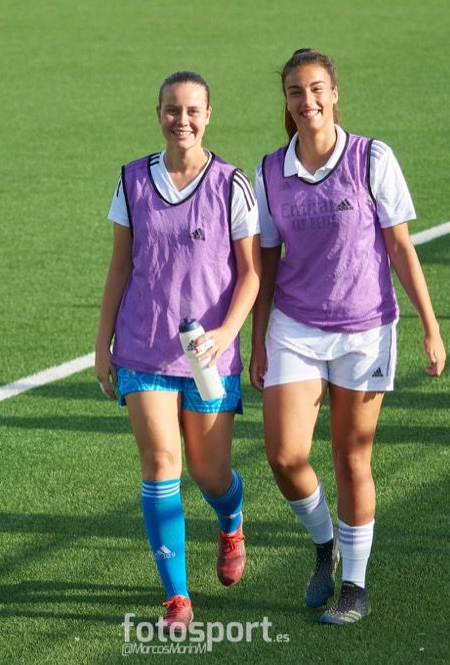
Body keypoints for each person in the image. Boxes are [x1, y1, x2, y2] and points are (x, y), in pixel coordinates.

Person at [250, 49, 446, 625]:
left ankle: (355, 587)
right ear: (286, 101)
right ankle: (324, 543)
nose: (307, 101)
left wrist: (430, 327)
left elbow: (400, 247)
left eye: (316, 89)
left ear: (334, 94)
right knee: (285, 456)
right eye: (295, 91)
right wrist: (256, 342)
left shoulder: (371, 158)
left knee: (351, 455)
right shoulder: (269, 171)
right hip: (296, 327)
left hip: (365, 331)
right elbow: (264, 262)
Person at [95, 71, 261, 628]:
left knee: (210, 474)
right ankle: (177, 598)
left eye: (192, 110)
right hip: (143, 348)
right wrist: (102, 344)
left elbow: (251, 274)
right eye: (171, 109)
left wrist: (227, 332)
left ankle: (231, 521)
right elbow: (120, 266)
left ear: (208, 115)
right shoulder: (131, 180)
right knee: (161, 463)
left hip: (208, 355)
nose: (181, 120)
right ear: (158, 113)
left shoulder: (232, 184)